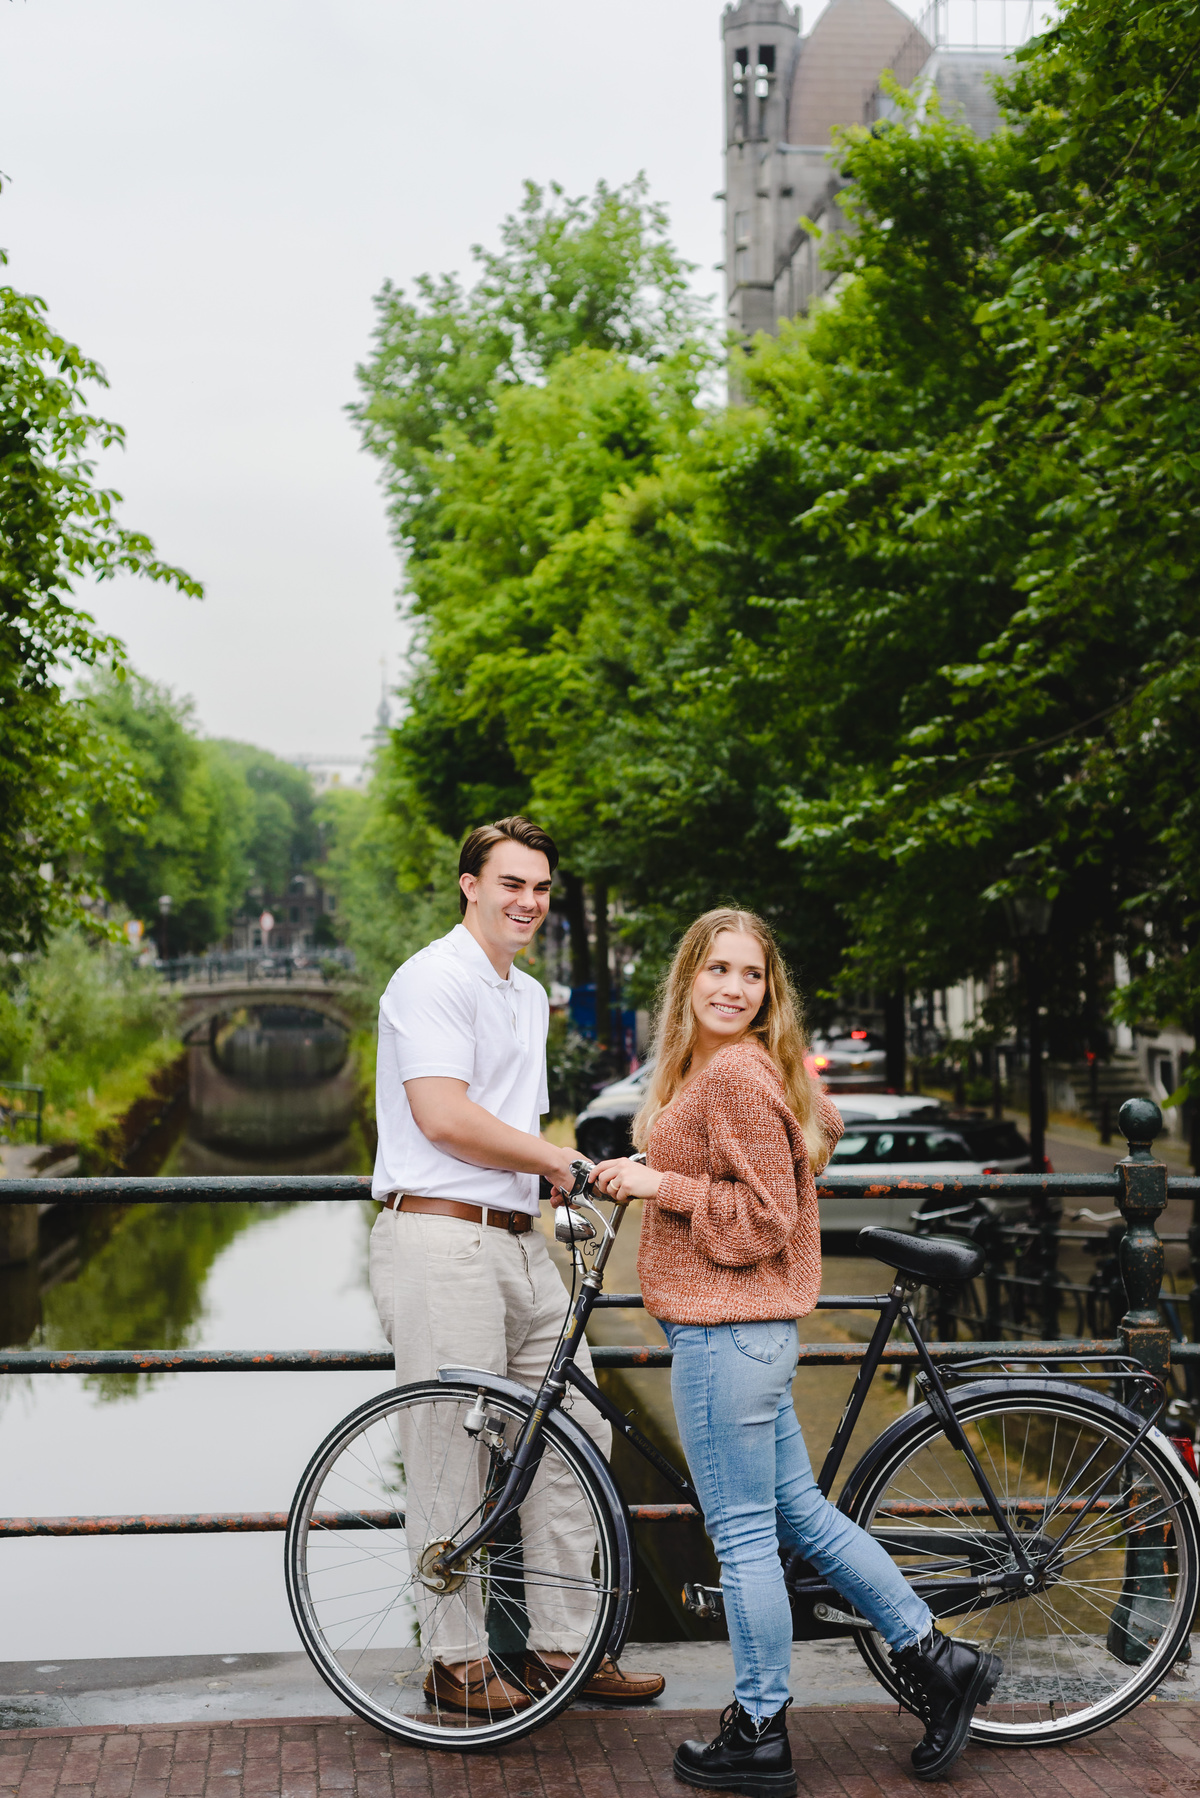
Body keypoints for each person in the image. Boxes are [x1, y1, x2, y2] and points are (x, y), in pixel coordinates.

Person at [592, 908, 999, 1791]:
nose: (735, 988)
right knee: (803, 1518)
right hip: (753, 1335)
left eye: (751, 975)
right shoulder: (742, 1069)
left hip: (725, 1332)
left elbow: (769, 1218)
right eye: (719, 971)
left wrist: (659, 1181)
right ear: (687, 979)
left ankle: (760, 1731)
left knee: (741, 1542)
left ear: (769, 992)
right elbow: (799, 1143)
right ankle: (939, 1661)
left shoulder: (734, 1072)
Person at [369, 815, 663, 1715]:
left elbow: (515, 1126)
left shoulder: (527, 995)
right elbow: (444, 1117)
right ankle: (453, 1664)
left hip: (516, 1238)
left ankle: (563, 1649)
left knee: (576, 1432)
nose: (528, 902)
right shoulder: (430, 979)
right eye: (511, 884)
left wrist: (556, 1186)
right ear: (470, 884)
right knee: (450, 1446)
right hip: (438, 1236)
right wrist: (556, 1163)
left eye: (540, 888)